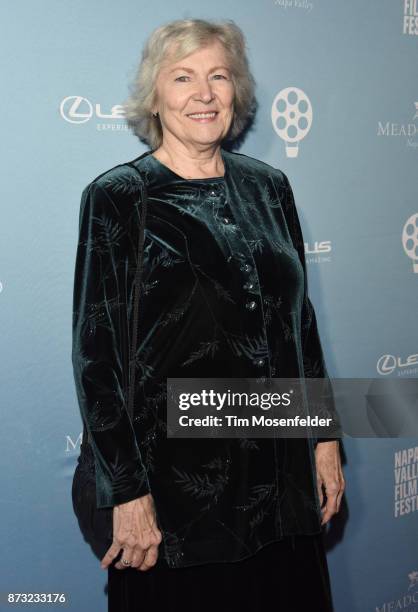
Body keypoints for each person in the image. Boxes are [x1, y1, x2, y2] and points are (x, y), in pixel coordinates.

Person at [71, 17, 345, 612]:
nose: (204, 93)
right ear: (155, 97)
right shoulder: (121, 199)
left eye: (218, 76)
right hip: (176, 498)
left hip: (280, 477)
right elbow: (97, 360)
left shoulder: (270, 187)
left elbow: (300, 325)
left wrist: (323, 441)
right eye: (183, 77)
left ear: (235, 91)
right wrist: (128, 492)